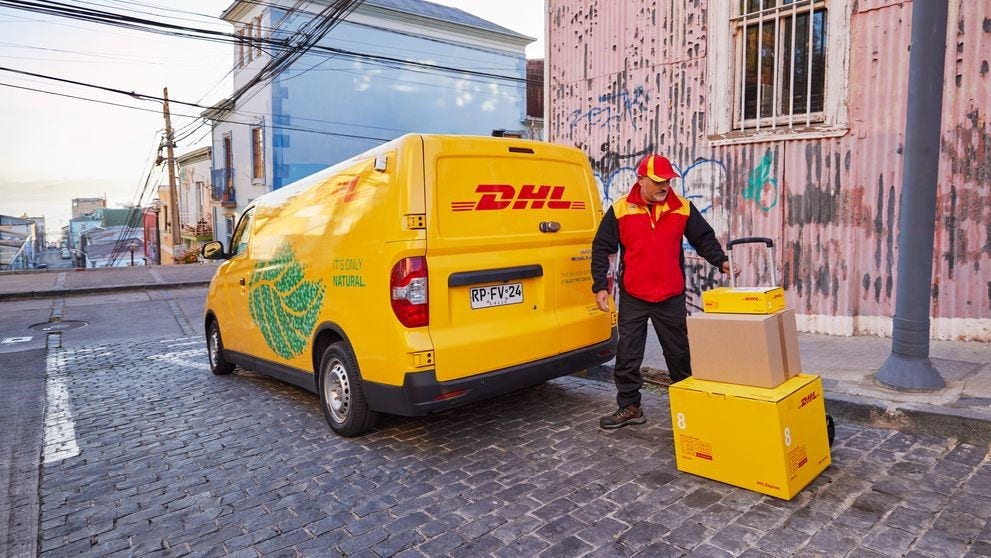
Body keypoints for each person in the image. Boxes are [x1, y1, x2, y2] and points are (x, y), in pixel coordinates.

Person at [591, 154, 738, 429]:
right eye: (659, 182)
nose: (665, 187)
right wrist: (601, 285)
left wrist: (722, 261)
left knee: (679, 354)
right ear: (641, 180)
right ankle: (630, 407)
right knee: (628, 355)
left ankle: (691, 408)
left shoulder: (682, 208)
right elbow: (603, 248)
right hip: (634, 295)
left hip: (670, 295)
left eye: (668, 182)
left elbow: (703, 239)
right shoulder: (621, 209)